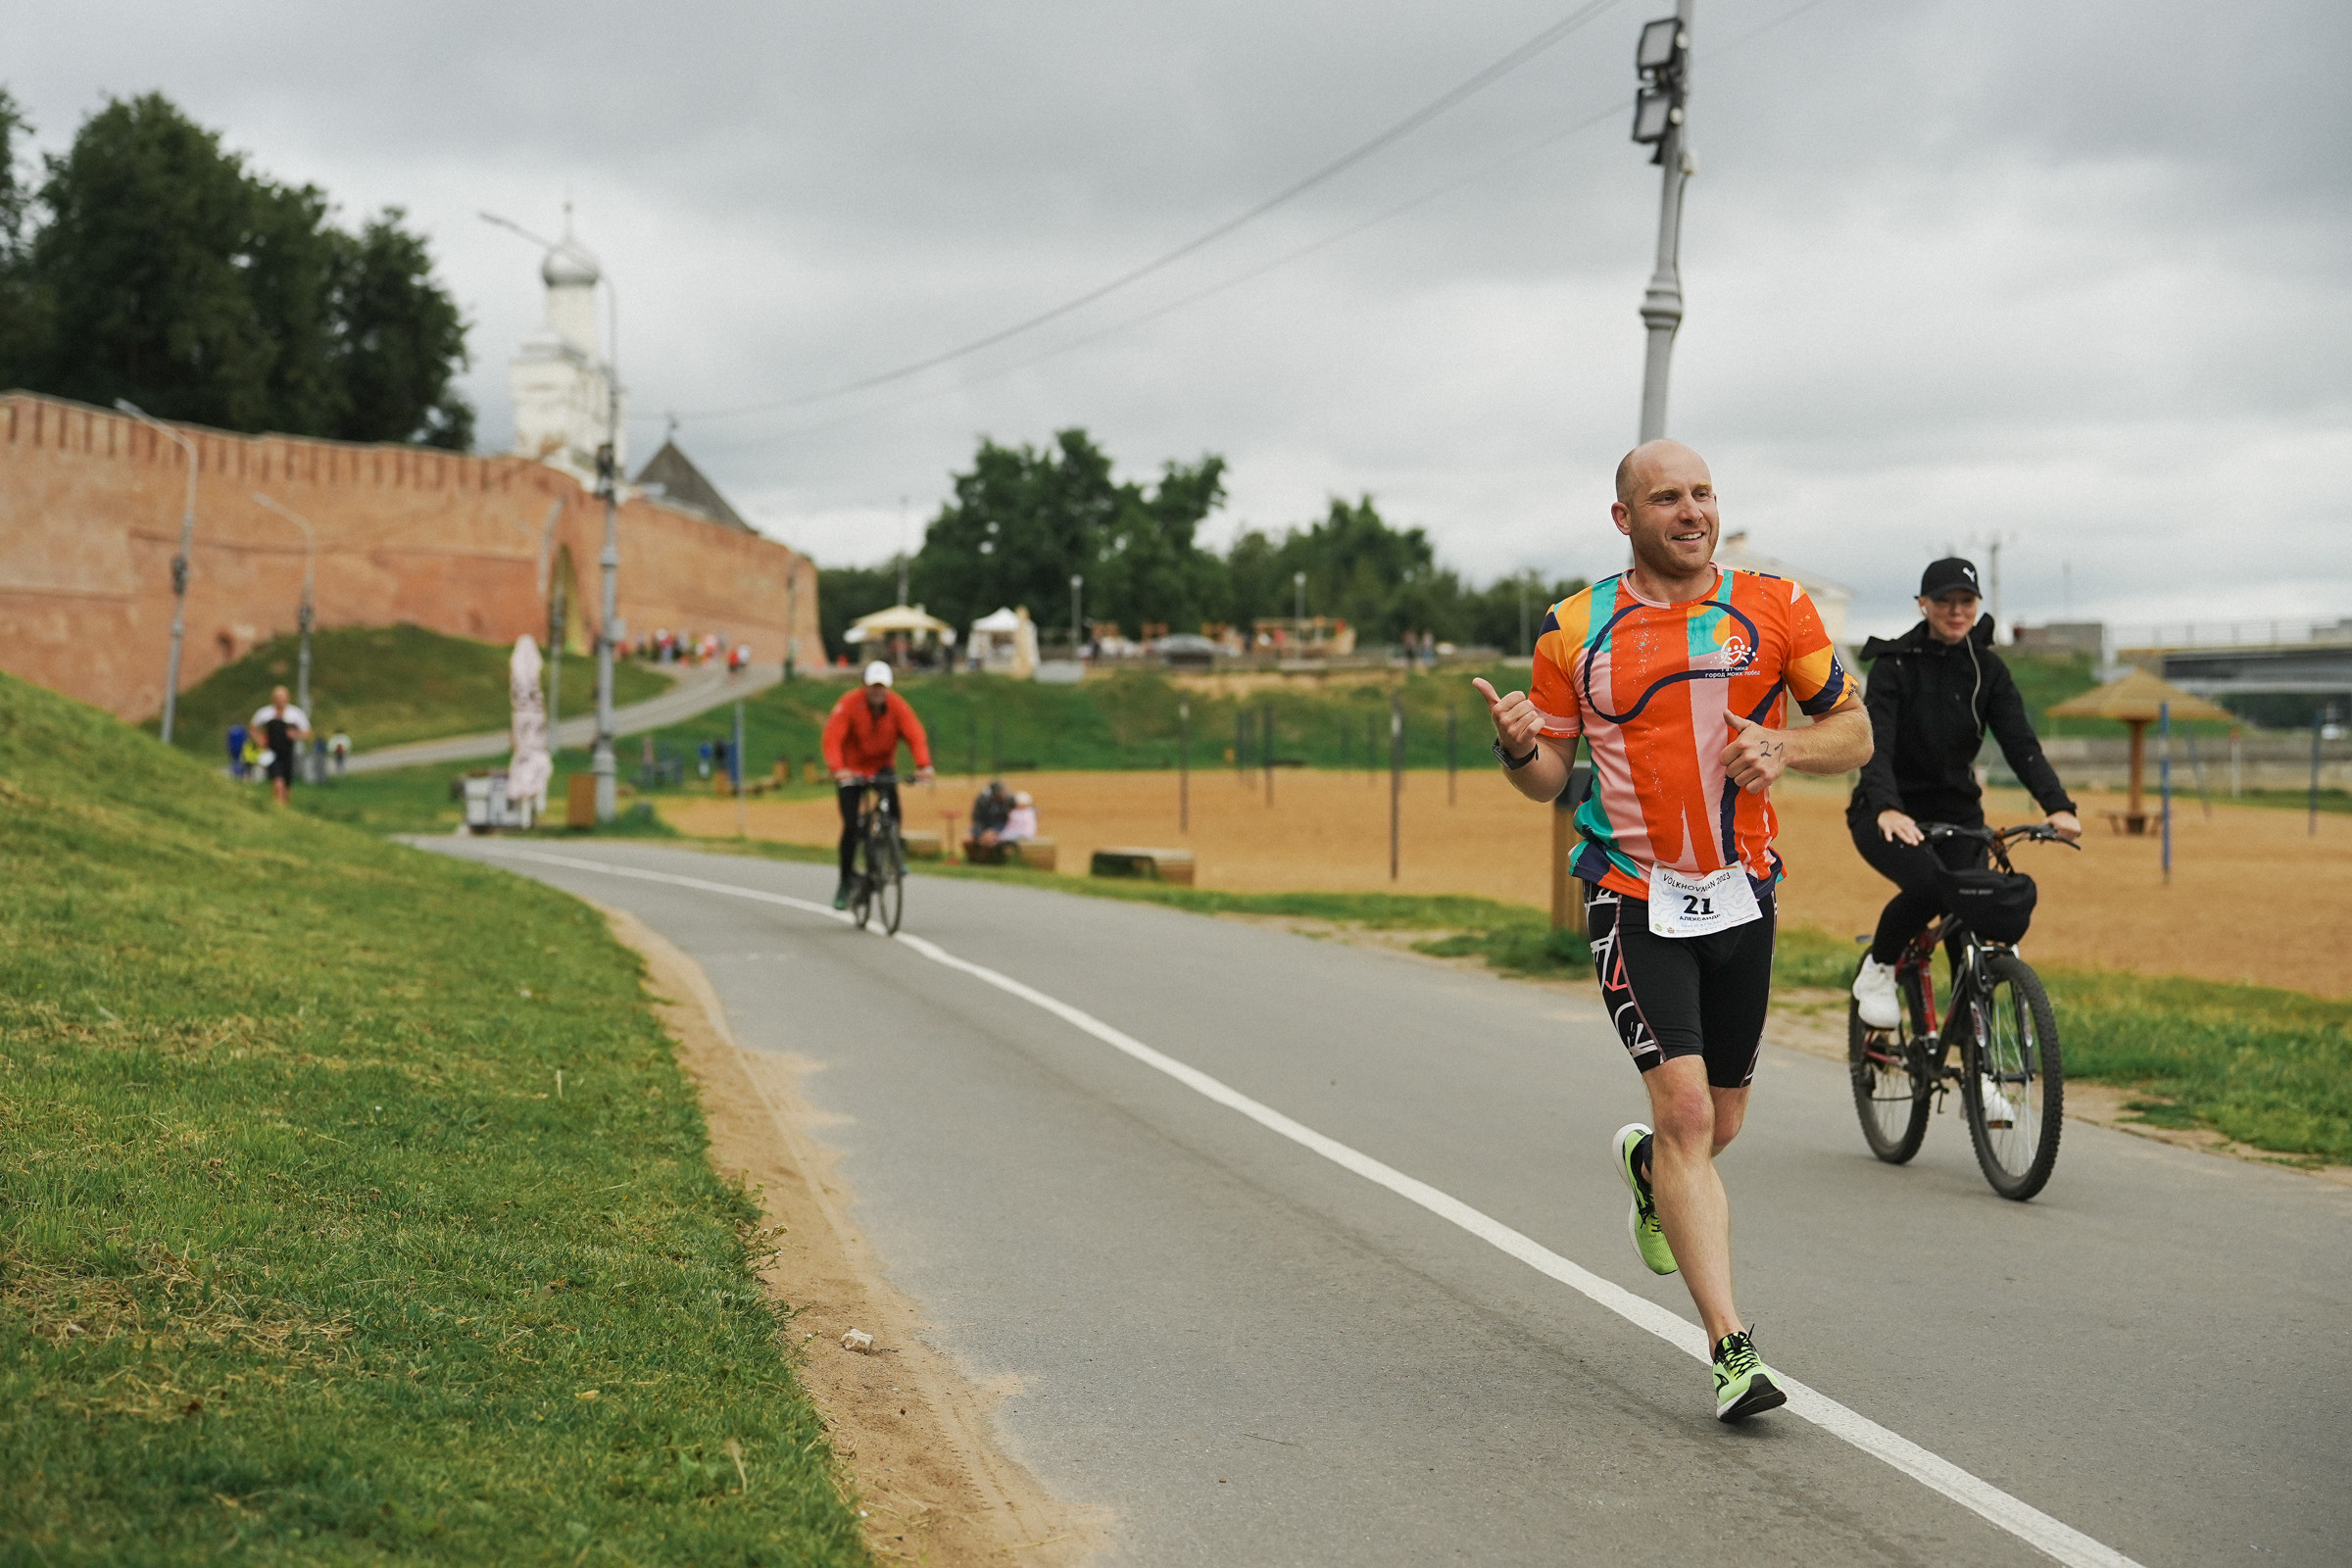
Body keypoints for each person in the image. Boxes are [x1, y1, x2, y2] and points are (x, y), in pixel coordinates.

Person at [1473, 439, 1872, 1423]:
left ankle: (1652, 1173)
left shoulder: (1777, 608)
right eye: (1666, 498)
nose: (1690, 511)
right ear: (1626, 518)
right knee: (1689, 1112)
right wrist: (1517, 745)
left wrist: (1787, 743)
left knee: (1719, 1124)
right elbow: (1547, 781)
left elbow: (1855, 733)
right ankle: (1733, 1348)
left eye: (1702, 493)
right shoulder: (1576, 630)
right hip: (1629, 893)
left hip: (1744, 894)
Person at [1848, 559, 2081, 1028]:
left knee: (1972, 914)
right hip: (1888, 810)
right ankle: (1878, 969)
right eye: (1944, 601)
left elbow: (2020, 742)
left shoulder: (1987, 669)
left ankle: (1977, 1065)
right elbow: (1875, 745)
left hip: (1957, 815)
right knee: (1932, 887)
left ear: (1977, 606)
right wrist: (1888, 807)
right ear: (1923, 605)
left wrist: (2057, 805)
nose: (1957, 611)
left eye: (1966, 602)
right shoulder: (1894, 666)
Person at [821, 661, 934, 907]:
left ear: (889, 688)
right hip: (850, 770)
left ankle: (891, 853)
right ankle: (845, 881)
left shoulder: (897, 707)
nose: (878, 692)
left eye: (882, 687)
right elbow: (832, 736)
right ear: (864, 686)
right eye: (873, 686)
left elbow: (915, 734)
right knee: (851, 826)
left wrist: (923, 765)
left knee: (893, 807)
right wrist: (837, 769)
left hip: (881, 766)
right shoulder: (850, 704)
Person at [251, 686, 312, 807]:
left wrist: (296, 735)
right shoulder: (265, 713)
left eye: (283, 698)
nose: (280, 701)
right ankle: (278, 807)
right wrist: (260, 741)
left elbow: (308, 732)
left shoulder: (295, 713)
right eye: (278, 698)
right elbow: (253, 728)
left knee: (286, 785)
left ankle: (284, 809)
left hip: (288, 753)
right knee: (278, 783)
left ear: (288, 698)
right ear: (273, 699)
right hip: (271, 753)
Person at [969, 780, 1013, 852]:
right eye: (1001, 792)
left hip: (1000, 828)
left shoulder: (1008, 799)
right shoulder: (983, 800)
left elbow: (1023, 805)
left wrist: (993, 831)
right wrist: (980, 833)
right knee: (968, 840)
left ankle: (993, 857)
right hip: (983, 827)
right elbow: (977, 819)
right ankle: (976, 858)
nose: (1003, 794)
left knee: (990, 839)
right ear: (994, 793)